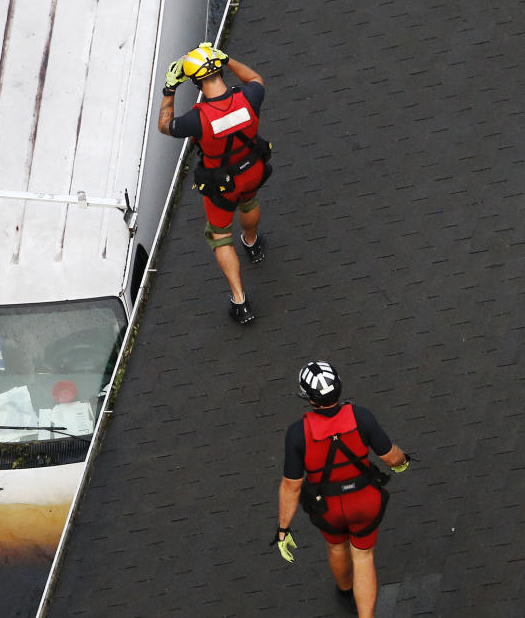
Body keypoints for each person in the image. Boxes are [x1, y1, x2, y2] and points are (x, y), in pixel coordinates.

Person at [273, 361, 411, 618]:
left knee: (336, 547)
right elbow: (392, 457)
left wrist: (283, 529)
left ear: (308, 397)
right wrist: (403, 463)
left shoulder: (297, 433)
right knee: (363, 556)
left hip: (327, 507)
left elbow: (291, 486)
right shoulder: (361, 417)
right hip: (365, 501)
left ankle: (345, 590)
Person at [158, 43, 271, 324]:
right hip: (252, 169)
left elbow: (165, 125)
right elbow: (255, 78)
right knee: (251, 202)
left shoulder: (197, 119)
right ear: (219, 68)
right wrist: (228, 58)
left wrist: (170, 89)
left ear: (195, 80)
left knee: (220, 236)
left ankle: (240, 301)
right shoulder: (248, 97)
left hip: (222, 185)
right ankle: (253, 244)